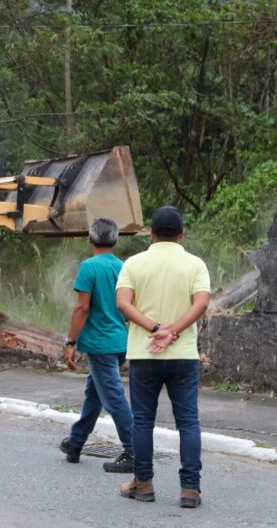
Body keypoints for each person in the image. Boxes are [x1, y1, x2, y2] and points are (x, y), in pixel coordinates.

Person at [115, 206, 210, 509]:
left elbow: (123, 304)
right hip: (183, 355)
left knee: (142, 421)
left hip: (144, 354)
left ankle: (143, 483)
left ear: (151, 234)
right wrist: (174, 331)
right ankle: (190, 489)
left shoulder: (134, 263)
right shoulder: (195, 264)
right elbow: (201, 303)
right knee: (188, 422)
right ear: (182, 234)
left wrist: (155, 329)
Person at [58, 217, 135, 474]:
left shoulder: (89, 267)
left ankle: (134, 450)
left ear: (90, 238)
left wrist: (70, 341)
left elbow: (82, 307)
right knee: (95, 391)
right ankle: (75, 442)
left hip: (99, 343)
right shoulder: (123, 267)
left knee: (112, 397)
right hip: (119, 340)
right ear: (115, 239)